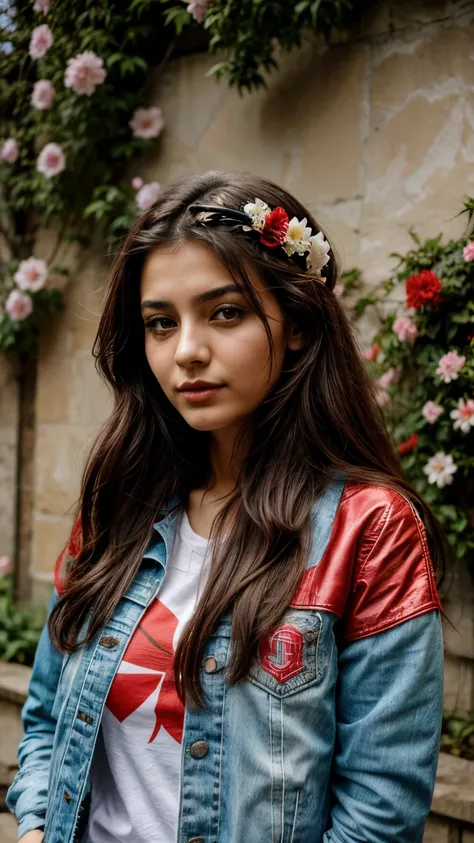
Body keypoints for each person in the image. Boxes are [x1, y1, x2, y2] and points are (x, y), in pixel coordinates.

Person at [7, 171, 445, 843]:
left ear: (295, 323)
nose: (186, 350)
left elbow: (380, 816)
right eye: (160, 323)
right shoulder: (118, 506)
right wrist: (36, 829)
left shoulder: (368, 528)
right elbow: (44, 716)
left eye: (225, 312)